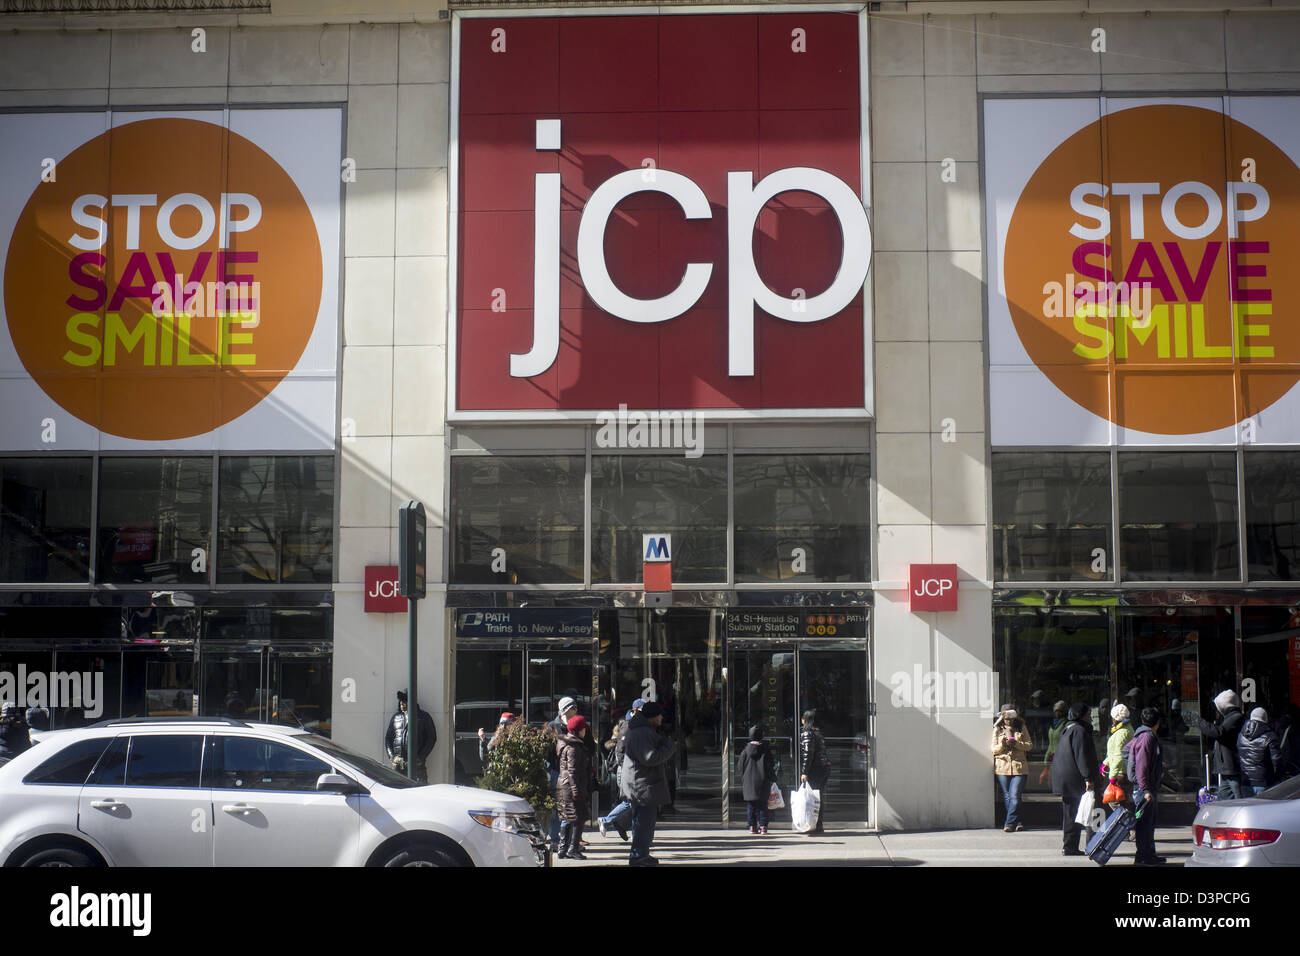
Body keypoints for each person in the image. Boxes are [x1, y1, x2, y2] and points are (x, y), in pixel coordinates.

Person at [620, 699, 676, 866]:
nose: (661, 718)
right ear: (652, 716)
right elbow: (650, 758)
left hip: (642, 784)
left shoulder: (642, 730)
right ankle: (638, 856)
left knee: (644, 823)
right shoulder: (642, 732)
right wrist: (669, 747)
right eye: (659, 715)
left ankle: (641, 853)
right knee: (644, 823)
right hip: (642, 785)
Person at [1051, 702, 1100, 855]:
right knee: (1085, 812)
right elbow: (1082, 756)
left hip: (1065, 778)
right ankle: (1085, 846)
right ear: (1081, 716)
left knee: (1070, 813)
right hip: (1076, 778)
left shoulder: (1068, 729)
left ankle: (1069, 846)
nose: (1090, 718)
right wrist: (1088, 777)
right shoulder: (1080, 731)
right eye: (1088, 715)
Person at [599, 698, 643, 842]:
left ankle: (622, 825)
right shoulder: (628, 726)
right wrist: (627, 767)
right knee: (631, 802)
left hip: (629, 770)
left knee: (633, 803)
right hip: (627, 771)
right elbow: (620, 751)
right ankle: (609, 821)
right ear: (636, 710)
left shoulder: (633, 724)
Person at [1128, 706, 1165, 866]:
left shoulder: (1144, 736)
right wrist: (1146, 790)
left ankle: (1148, 853)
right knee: (1144, 822)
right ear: (1157, 722)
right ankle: (1143, 855)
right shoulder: (1147, 738)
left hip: (1143, 788)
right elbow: (1142, 765)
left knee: (1146, 822)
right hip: (1143, 789)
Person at [1194, 689, 1245, 798]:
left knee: (1239, 798)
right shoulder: (1230, 718)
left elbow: (1218, 732)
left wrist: (1198, 721)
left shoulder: (1235, 717)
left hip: (1231, 767)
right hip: (1228, 768)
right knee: (1225, 796)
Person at [555, 715, 593, 860]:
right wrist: (577, 791)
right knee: (579, 817)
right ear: (578, 730)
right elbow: (573, 772)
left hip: (565, 786)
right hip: (571, 787)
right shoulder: (574, 747)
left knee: (568, 817)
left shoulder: (568, 744)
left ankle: (563, 849)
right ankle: (573, 849)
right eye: (583, 728)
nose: (585, 731)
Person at [545, 696, 579, 852]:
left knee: (572, 807)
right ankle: (555, 840)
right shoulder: (553, 727)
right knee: (557, 808)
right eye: (573, 707)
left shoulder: (578, 725)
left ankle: (571, 843)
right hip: (557, 772)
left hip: (572, 772)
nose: (576, 710)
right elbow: (547, 751)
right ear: (565, 710)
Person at [992, 703, 1032, 832]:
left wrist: (1016, 744)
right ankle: (1017, 821)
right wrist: (1003, 745)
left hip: (1019, 767)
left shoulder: (1021, 727)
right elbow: (994, 749)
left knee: (1015, 795)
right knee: (1008, 796)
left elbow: (1029, 745)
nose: (1008, 720)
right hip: (1002, 767)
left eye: (1010, 717)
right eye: (1005, 717)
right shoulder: (997, 729)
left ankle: (1009, 823)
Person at [384, 689, 436, 783]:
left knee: (420, 792)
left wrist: (420, 757)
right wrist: (392, 757)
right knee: (398, 791)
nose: (401, 704)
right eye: (400, 702)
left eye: (404, 701)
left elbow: (431, 738)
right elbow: (388, 738)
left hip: (417, 766)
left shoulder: (423, 716)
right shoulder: (396, 717)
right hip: (398, 766)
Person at [737, 724, 777, 834]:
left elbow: (740, 766)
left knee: (751, 805)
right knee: (763, 805)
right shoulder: (765, 750)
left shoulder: (745, 751)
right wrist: (772, 777)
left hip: (749, 781)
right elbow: (770, 766)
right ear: (761, 737)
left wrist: (744, 778)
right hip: (763, 781)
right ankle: (763, 826)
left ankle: (752, 826)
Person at [798, 709, 831, 834]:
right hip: (824, 767)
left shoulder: (807, 733)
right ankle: (818, 824)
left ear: (804, 720)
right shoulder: (817, 733)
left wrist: (804, 772)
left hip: (815, 769)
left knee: (812, 797)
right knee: (818, 797)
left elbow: (808, 753)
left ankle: (813, 824)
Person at [1238, 707, 1284, 795]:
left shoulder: (1241, 735)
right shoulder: (1270, 736)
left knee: (1249, 808)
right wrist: (1277, 777)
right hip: (1264, 782)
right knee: (1265, 808)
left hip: (1246, 781)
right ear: (1265, 719)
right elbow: (1277, 760)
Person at [1101, 702, 1135, 812]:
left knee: (1116, 801)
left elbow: (1118, 755)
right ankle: (1128, 823)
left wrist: (1113, 777)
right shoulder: (1124, 730)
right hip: (1122, 771)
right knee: (1122, 801)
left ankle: (1128, 823)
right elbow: (1113, 752)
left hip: (1120, 773)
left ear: (1116, 718)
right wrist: (1106, 763)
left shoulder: (1122, 733)